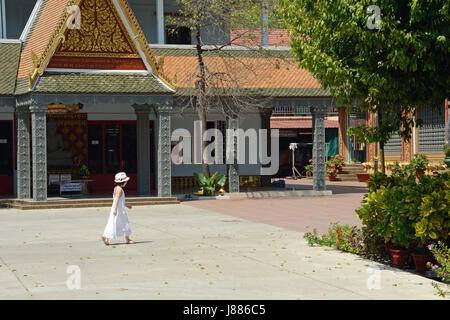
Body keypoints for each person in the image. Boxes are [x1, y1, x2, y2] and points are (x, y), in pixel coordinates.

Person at [102, 172, 135, 245]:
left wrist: (127, 205)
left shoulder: (116, 188)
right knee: (125, 223)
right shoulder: (120, 189)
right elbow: (117, 199)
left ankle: (105, 236)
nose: (126, 183)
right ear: (123, 182)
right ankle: (127, 239)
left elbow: (120, 201)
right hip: (119, 210)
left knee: (112, 223)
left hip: (116, 208)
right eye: (126, 181)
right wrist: (115, 209)